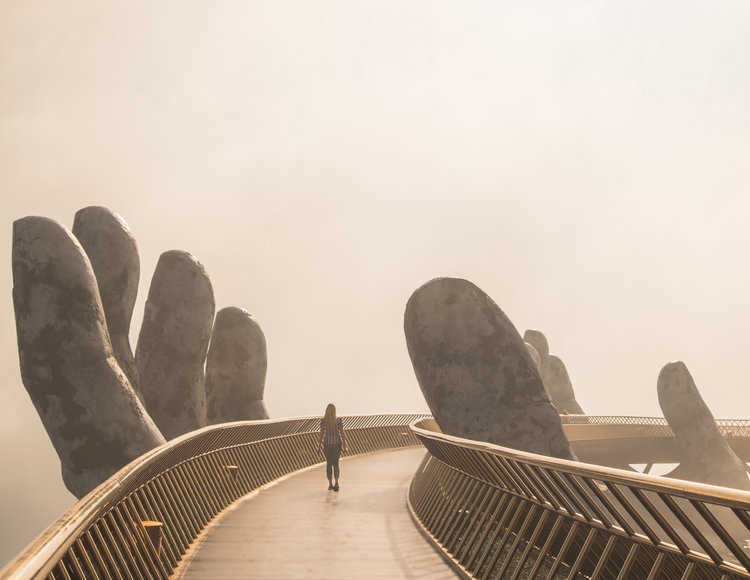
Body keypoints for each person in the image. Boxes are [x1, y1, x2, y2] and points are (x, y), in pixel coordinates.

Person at [318, 403, 347, 491]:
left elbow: (322, 434)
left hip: (327, 445)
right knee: (336, 464)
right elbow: (342, 433)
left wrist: (319, 446)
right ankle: (337, 482)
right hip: (337, 444)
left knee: (329, 464)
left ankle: (330, 483)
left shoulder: (323, 421)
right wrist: (345, 445)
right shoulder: (338, 420)